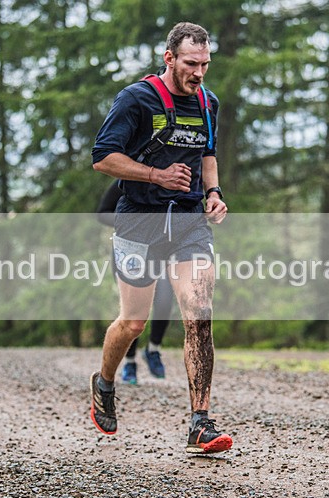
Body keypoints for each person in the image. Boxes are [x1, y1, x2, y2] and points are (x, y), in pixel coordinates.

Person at [89, 22, 232, 454]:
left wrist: (213, 193)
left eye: (205, 64)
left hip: (190, 221)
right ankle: (105, 382)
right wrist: (156, 174)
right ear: (169, 58)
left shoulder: (209, 102)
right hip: (139, 221)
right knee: (134, 323)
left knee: (199, 312)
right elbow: (103, 159)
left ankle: (200, 423)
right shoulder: (136, 98)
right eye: (191, 63)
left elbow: (207, 153)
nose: (199, 72)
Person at [97, 180, 172, 384]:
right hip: (128, 251)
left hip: (161, 250)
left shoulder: (169, 180)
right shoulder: (124, 181)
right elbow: (102, 212)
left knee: (165, 301)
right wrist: (132, 219)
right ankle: (129, 361)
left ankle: (153, 349)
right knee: (134, 312)